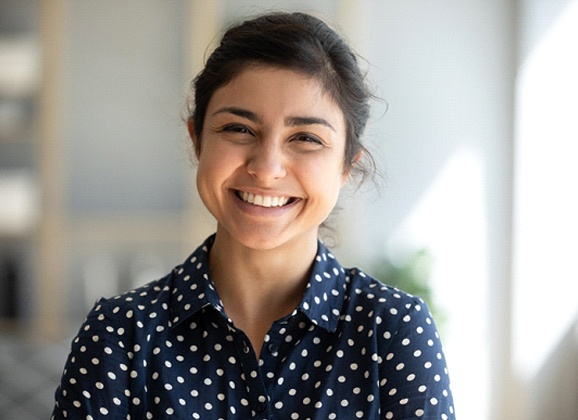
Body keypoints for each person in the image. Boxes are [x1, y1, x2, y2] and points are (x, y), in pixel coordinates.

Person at [52, 11, 455, 419]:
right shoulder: (119, 335)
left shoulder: (393, 331)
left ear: (347, 165)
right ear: (197, 139)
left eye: (306, 138)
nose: (266, 168)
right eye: (239, 129)